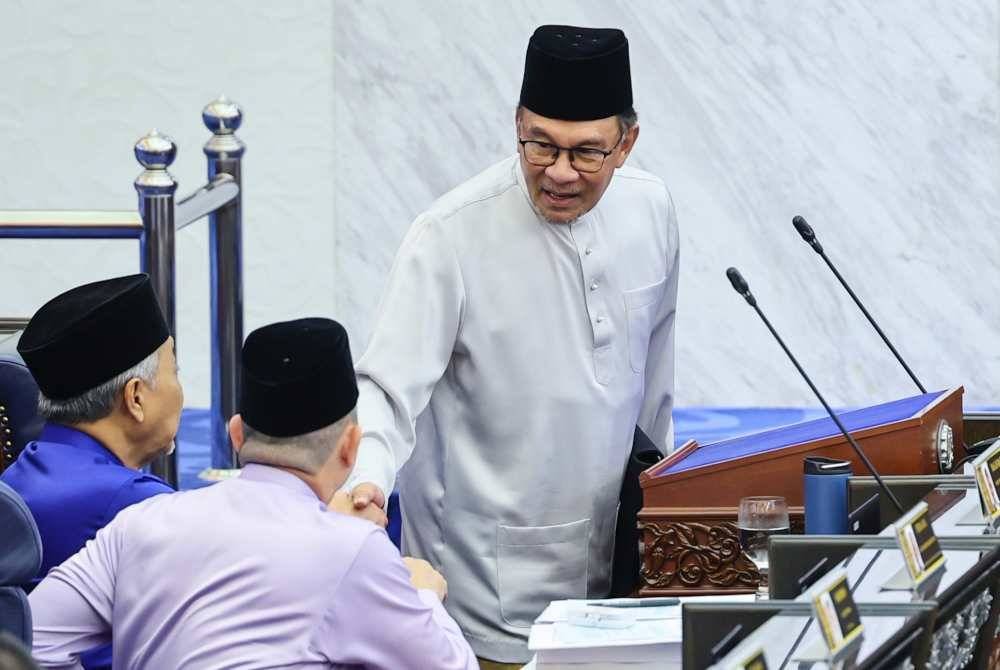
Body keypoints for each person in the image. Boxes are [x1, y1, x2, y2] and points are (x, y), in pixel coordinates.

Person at [344, 24, 680, 665]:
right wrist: (365, 483)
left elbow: (654, 377)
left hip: (615, 583)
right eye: (540, 144)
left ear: (627, 142)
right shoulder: (449, 235)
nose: (558, 172)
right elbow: (385, 390)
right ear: (517, 123)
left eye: (586, 153)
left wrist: (657, 513)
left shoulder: (653, 210)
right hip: (480, 599)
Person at [29, 318, 477, 670]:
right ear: (350, 447)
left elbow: (29, 640)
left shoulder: (139, 524)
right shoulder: (353, 550)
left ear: (236, 435)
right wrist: (421, 593)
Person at [1, 273, 182, 669]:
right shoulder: (135, 502)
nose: (179, 390)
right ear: (135, 397)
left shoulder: (21, 471)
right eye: (175, 369)